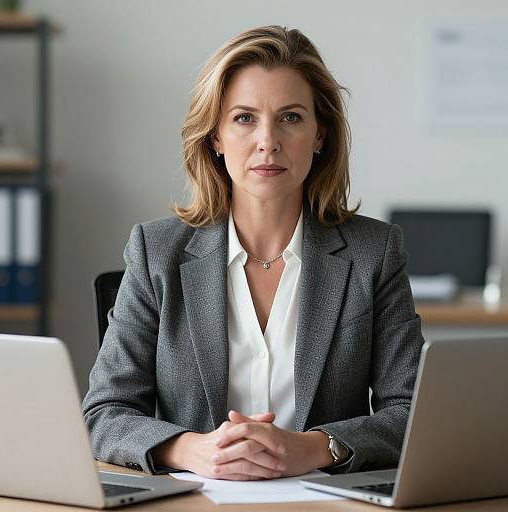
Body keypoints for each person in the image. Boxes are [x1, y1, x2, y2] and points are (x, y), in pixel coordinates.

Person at [82, 25, 425, 481]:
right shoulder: (155, 252)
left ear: (320, 135)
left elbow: (412, 412)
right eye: (244, 118)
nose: (268, 141)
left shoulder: (373, 253)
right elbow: (105, 412)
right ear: (215, 138)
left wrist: (316, 447)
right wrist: (191, 450)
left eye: (291, 117)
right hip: (192, 503)